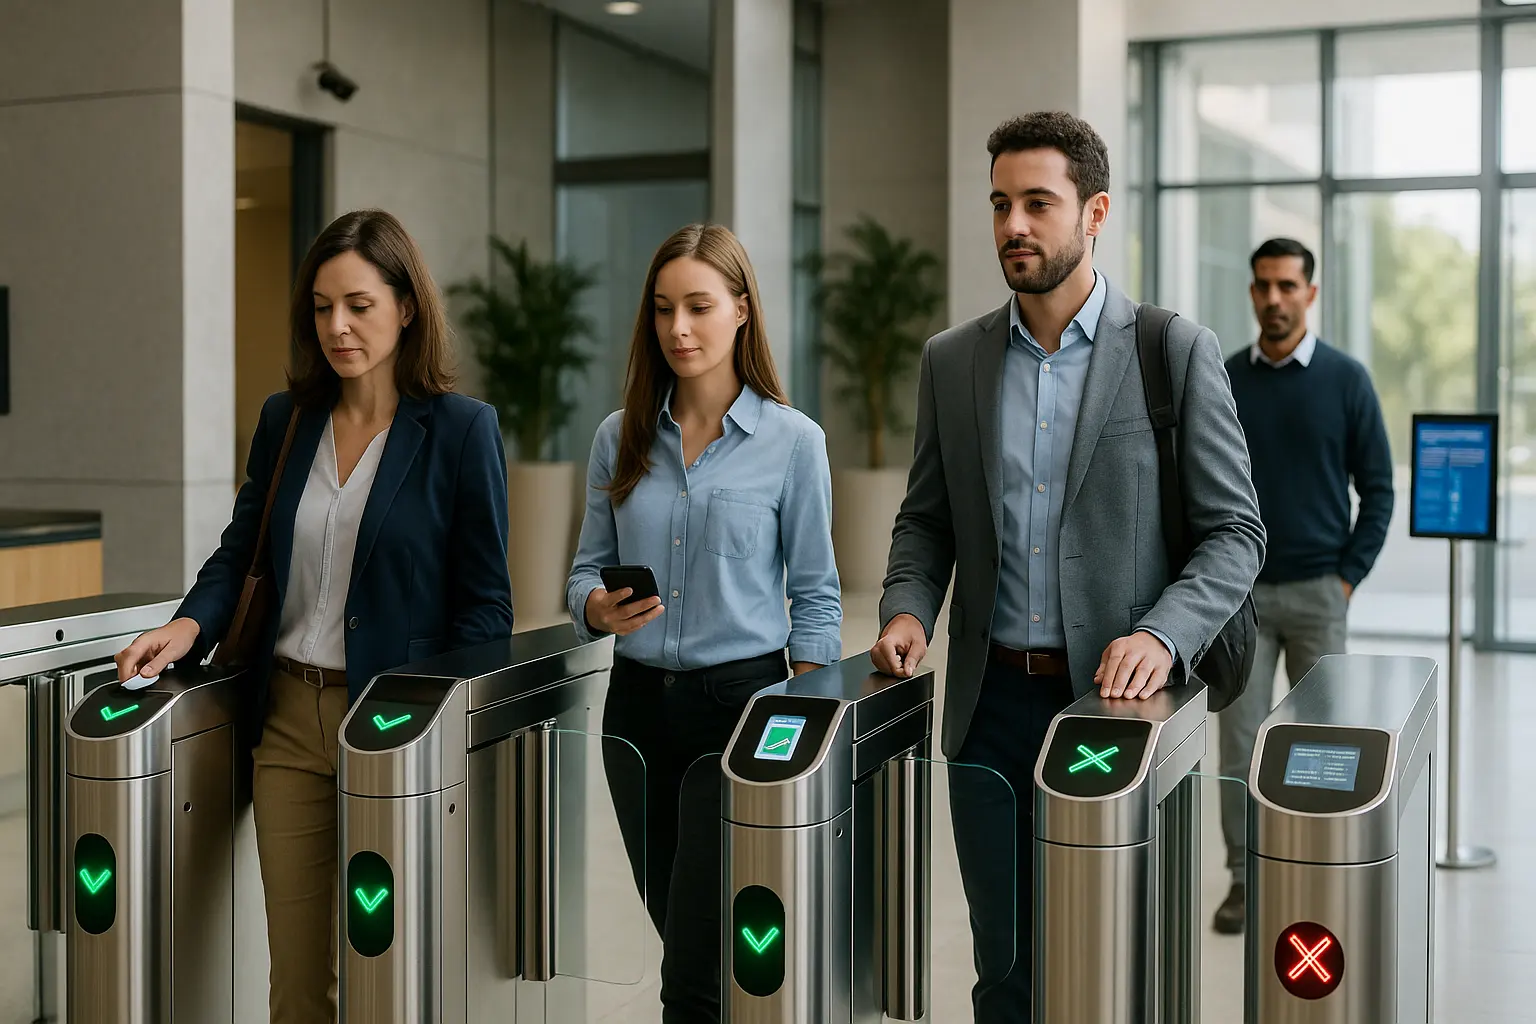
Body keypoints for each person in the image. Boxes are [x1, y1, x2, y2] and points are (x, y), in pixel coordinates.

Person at [871, 111, 1265, 1022]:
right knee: (1004, 968)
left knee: (1110, 964)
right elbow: (927, 522)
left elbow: (1236, 535)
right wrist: (906, 608)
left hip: (1116, 712)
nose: (1014, 224)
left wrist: (1164, 635)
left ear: (1094, 214)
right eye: (1002, 203)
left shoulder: (1172, 349)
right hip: (989, 711)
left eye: (1037, 204)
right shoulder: (953, 361)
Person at [114, 209, 514, 1024]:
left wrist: (443, 728)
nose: (337, 326)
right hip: (289, 721)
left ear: (406, 307)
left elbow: (486, 608)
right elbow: (241, 553)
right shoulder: (284, 420)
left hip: (396, 726)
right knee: (297, 976)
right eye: (323, 307)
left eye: (359, 305)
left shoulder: (461, 432)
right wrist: (189, 625)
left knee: (390, 969)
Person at [566, 222, 841, 1024]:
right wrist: (595, 607)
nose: (678, 329)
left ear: (742, 311)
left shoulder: (794, 443)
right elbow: (583, 573)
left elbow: (819, 594)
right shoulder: (617, 438)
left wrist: (812, 723)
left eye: (698, 306)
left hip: (739, 713)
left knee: (690, 972)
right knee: (685, 934)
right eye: (662, 310)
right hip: (634, 713)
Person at [1211, 237, 1393, 935]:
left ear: (1310, 294)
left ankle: (1319, 875)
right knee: (1239, 747)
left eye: (1288, 286)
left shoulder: (1347, 381)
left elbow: (1377, 490)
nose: (1274, 299)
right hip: (1242, 600)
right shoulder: (1225, 379)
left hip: (1321, 593)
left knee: (1322, 746)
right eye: (1263, 286)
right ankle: (1242, 881)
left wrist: (1347, 579)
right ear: (1252, 293)